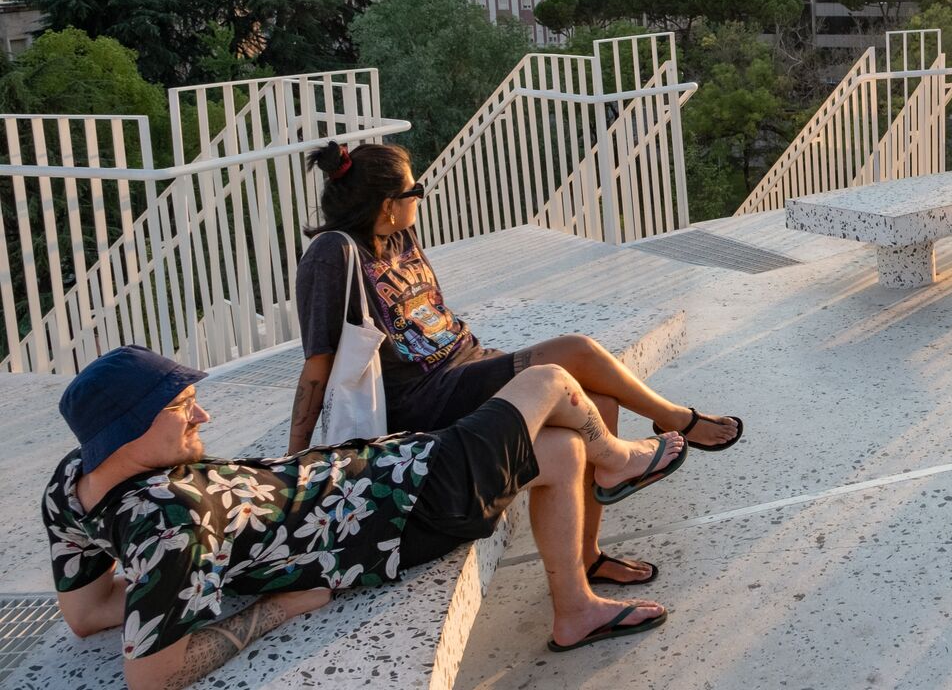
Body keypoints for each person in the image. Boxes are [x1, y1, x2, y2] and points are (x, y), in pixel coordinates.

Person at [44, 346, 690, 689]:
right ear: (129, 431)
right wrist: (273, 607)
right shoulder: (167, 527)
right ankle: (621, 458)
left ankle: (574, 608)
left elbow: (85, 613)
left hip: (384, 475)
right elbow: (151, 675)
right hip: (406, 509)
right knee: (551, 377)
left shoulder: (72, 486)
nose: (202, 417)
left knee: (554, 448)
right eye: (183, 407)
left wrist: (192, 583)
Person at [291, 142, 739, 588]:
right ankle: (675, 419)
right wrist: (295, 462)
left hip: (467, 365)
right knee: (576, 350)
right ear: (389, 205)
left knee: (599, 401)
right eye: (416, 190)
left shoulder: (397, 234)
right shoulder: (333, 255)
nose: (420, 199)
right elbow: (318, 364)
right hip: (425, 398)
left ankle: (588, 557)